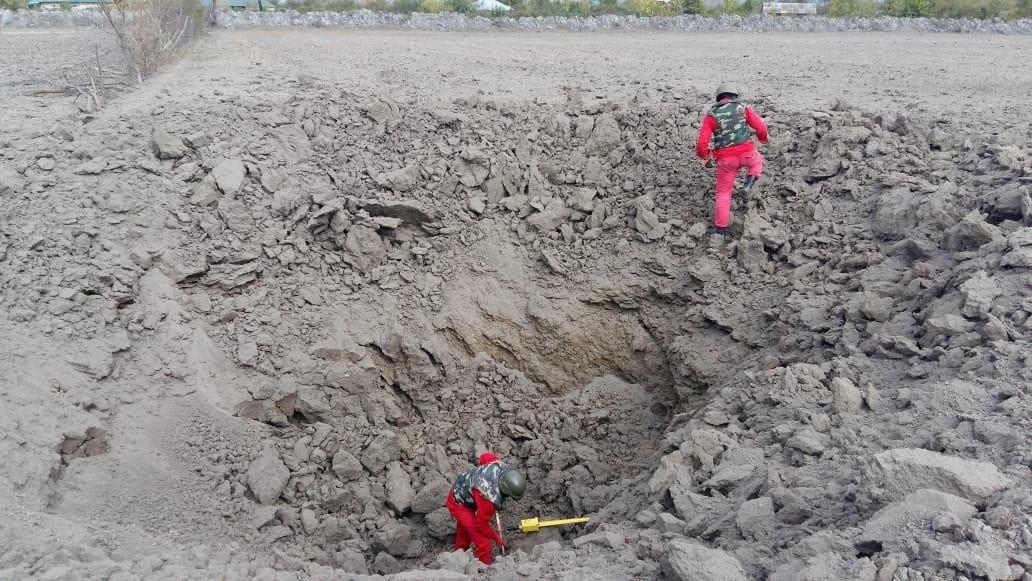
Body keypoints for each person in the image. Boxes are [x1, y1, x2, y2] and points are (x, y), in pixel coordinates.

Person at [695, 83, 769, 244]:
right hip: (747, 153)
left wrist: (705, 157)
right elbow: (760, 127)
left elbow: (702, 143)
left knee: (723, 193)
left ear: (719, 98)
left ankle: (720, 230)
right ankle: (748, 183)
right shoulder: (742, 108)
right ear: (734, 96)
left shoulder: (711, 115)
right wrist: (763, 139)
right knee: (757, 163)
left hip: (725, 160)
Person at [446, 452, 527, 565]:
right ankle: (485, 570)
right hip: (458, 503)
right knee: (483, 543)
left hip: (464, 488)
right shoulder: (488, 498)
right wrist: (496, 538)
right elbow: (481, 525)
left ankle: (459, 554)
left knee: (465, 530)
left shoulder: (500, 466)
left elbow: (485, 457)